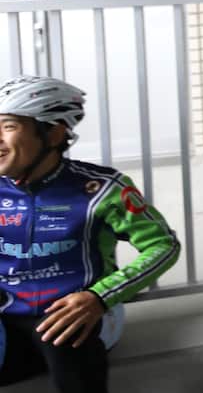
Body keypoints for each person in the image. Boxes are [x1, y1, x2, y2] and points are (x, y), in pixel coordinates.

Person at [0, 75, 180, 393]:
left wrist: (99, 297)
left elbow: (163, 245)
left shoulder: (102, 189)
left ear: (54, 133)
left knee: (67, 338)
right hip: (7, 312)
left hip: (78, 314)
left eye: (8, 127)